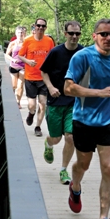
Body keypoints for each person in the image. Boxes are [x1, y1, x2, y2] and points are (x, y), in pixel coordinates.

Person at [64, 18, 110, 219]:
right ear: (94, 36)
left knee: (109, 167)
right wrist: (99, 93)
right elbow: (68, 87)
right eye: (104, 34)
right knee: (83, 164)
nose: (109, 38)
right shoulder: (82, 57)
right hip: (84, 119)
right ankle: (76, 186)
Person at [40, 21, 83, 185]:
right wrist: (50, 87)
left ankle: (63, 170)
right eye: (71, 33)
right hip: (56, 100)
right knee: (56, 137)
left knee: (70, 137)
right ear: (65, 34)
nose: (74, 36)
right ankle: (49, 144)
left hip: (74, 101)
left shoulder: (83, 52)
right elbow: (43, 71)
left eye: (77, 33)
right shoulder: (56, 52)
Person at [18, 18, 55, 136]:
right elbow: (20, 55)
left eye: (43, 26)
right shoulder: (28, 41)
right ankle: (31, 113)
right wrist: (28, 61)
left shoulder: (49, 41)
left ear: (45, 28)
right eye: (38, 25)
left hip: (44, 78)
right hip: (30, 77)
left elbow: (53, 56)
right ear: (34, 26)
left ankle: (38, 127)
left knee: (43, 103)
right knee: (32, 105)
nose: (40, 28)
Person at [5, 26, 25, 108]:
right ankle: (12, 99)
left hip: (23, 67)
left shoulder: (26, 43)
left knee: (20, 85)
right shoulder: (13, 43)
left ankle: (18, 102)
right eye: (19, 32)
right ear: (16, 33)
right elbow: (6, 55)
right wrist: (13, 60)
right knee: (14, 85)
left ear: (24, 33)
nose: (20, 34)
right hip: (14, 66)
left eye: (22, 32)